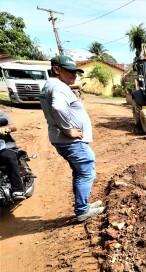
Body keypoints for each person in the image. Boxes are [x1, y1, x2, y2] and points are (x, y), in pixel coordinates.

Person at [39, 55, 104, 222]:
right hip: (70, 141)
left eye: (75, 72)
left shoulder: (51, 85)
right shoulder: (59, 87)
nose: (74, 75)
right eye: (70, 72)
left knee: (80, 172)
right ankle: (82, 210)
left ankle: (83, 206)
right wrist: (68, 130)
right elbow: (58, 108)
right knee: (86, 171)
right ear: (56, 69)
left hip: (62, 140)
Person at [0, 111, 26, 201]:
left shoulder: (0, 114)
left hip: (4, 147)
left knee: (9, 157)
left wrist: (5, 128)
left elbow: (13, 126)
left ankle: (17, 190)